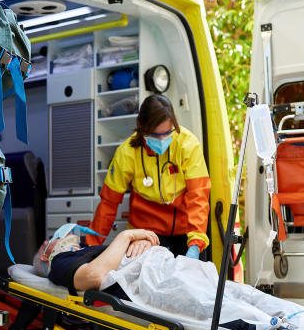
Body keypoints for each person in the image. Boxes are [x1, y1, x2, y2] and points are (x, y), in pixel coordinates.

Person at [32, 224, 304, 330]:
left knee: (261, 302)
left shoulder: (94, 250)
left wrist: (143, 244)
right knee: (240, 318)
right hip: (153, 285)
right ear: (48, 250)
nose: (72, 237)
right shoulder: (60, 262)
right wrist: (129, 236)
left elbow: (115, 260)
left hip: (171, 269)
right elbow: (96, 277)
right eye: (66, 237)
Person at [85, 95, 211, 259]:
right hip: (146, 232)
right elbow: (109, 203)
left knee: (192, 277)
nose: (162, 140)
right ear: (142, 128)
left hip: (186, 229)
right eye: (155, 135)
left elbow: (198, 196)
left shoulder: (188, 144)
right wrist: (90, 246)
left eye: (167, 133)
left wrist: (196, 244)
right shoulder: (127, 153)